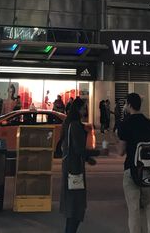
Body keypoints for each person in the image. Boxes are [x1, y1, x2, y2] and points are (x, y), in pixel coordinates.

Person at [117, 92, 150, 233]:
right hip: (149, 171)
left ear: (129, 105)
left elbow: (121, 151)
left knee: (134, 208)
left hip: (131, 169)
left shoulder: (125, 125)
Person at [59, 97, 96, 232]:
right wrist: (96, 153)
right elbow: (79, 149)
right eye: (83, 108)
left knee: (73, 207)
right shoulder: (74, 125)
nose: (85, 110)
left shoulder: (68, 124)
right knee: (76, 207)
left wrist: (88, 159)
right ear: (78, 109)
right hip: (74, 171)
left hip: (70, 168)